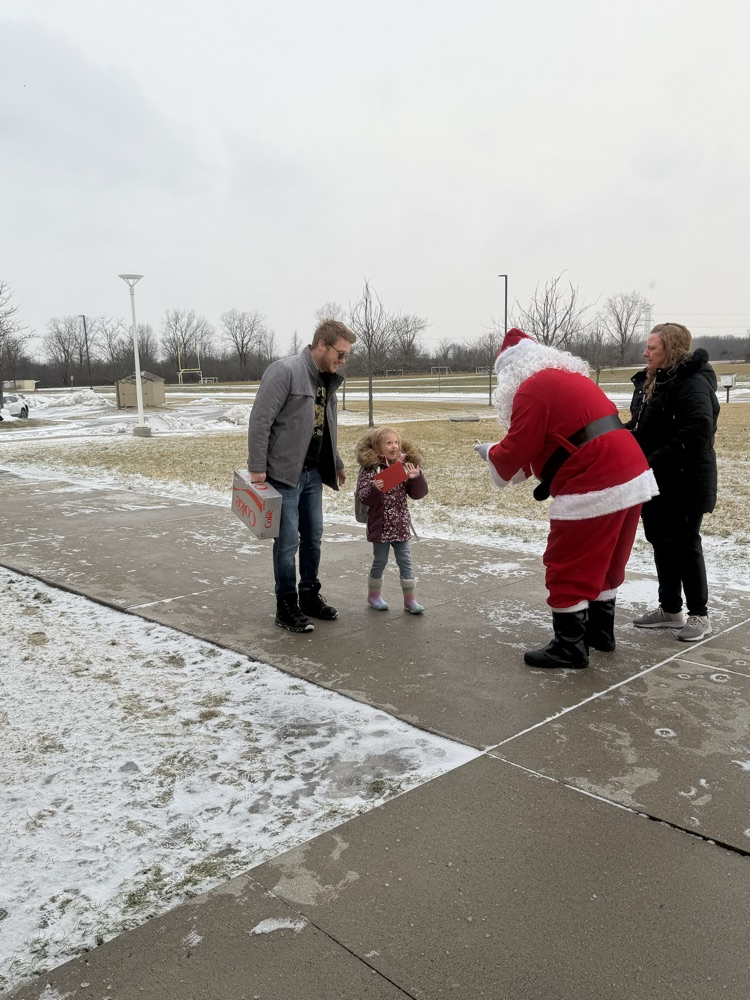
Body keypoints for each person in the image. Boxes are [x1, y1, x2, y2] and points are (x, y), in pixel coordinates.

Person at [475, 328, 658, 669]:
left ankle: (570, 647)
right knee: (607, 560)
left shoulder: (531, 389)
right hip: (632, 473)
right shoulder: (572, 379)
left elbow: (516, 447)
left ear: (512, 370)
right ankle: (600, 634)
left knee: (566, 563)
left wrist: (491, 453)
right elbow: (559, 439)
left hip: (594, 480)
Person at [248, 319, 356, 632]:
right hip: (284, 473)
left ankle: (309, 595)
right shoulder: (285, 371)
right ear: (322, 345)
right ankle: (286, 605)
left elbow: (328, 423)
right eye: (340, 353)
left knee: (314, 538)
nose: (342, 360)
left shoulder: (327, 378)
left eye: (346, 355)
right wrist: (257, 466)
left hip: (312, 474)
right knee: (287, 543)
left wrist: (335, 461)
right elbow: (260, 420)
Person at [626, 323, 720, 642]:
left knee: (685, 544)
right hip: (656, 479)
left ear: (672, 349)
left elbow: (697, 431)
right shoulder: (652, 381)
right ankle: (670, 609)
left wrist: (650, 459)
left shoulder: (693, 381)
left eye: (652, 347)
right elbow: (642, 428)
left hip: (686, 480)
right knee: (661, 541)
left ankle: (699, 615)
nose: (645, 352)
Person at [355, 426, 428, 614]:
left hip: (400, 525)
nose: (394, 446)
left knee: (405, 561)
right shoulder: (370, 469)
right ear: (378, 447)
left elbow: (418, 494)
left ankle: (410, 600)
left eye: (396, 442)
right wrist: (375, 488)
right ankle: (374, 596)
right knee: (380, 560)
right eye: (389, 443)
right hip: (380, 525)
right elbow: (363, 496)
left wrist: (415, 478)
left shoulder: (406, 465)